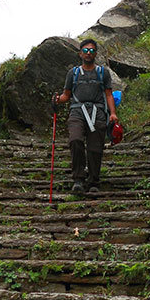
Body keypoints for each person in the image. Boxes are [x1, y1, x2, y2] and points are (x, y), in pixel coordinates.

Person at [52, 39, 119, 195]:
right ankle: (78, 179)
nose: (88, 53)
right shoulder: (73, 73)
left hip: (98, 112)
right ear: (80, 53)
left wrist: (113, 113)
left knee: (95, 147)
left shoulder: (103, 73)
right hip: (77, 111)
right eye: (86, 50)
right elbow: (66, 95)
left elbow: (108, 94)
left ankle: (94, 181)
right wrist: (57, 100)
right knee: (75, 140)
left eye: (91, 51)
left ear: (95, 53)